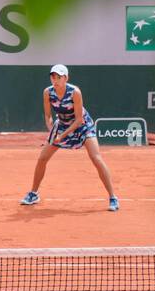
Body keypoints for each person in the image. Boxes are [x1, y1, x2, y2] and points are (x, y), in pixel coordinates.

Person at [20, 64, 119, 210]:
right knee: (42, 158)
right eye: (53, 76)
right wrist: (52, 132)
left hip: (83, 126)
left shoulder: (75, 92)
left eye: (58, 77)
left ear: (66, 78)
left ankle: (113, 197)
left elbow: (79, 119)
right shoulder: (48, 92)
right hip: (62, 125)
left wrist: (62, 136)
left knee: (96, 157)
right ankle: (34, 194)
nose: (55, 79)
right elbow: (48, 116)